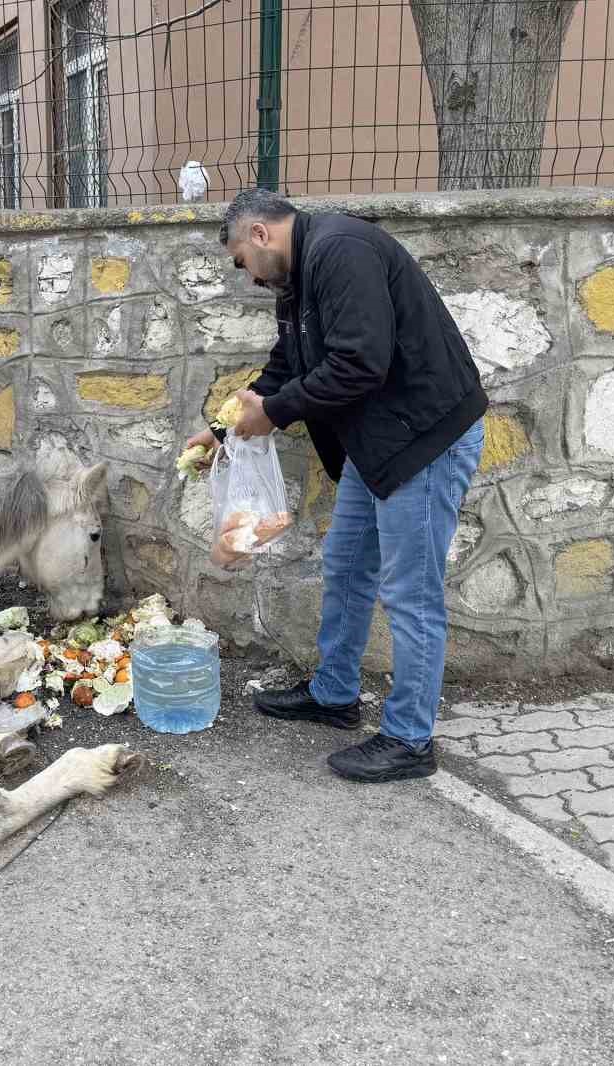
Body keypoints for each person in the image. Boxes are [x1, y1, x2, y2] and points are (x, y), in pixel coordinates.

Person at [184, 189, 488, 783]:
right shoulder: (299, 279)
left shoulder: (341, 250)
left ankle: (409, 739)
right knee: (347, 567)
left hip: (423, 441)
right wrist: (222, 429)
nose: (245, 277)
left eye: (240, 260)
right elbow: (288, 364)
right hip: (377, 447)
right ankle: (334, 695)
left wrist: (273, 414)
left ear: (260, 235)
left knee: (410, 594)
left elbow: (359, 362)